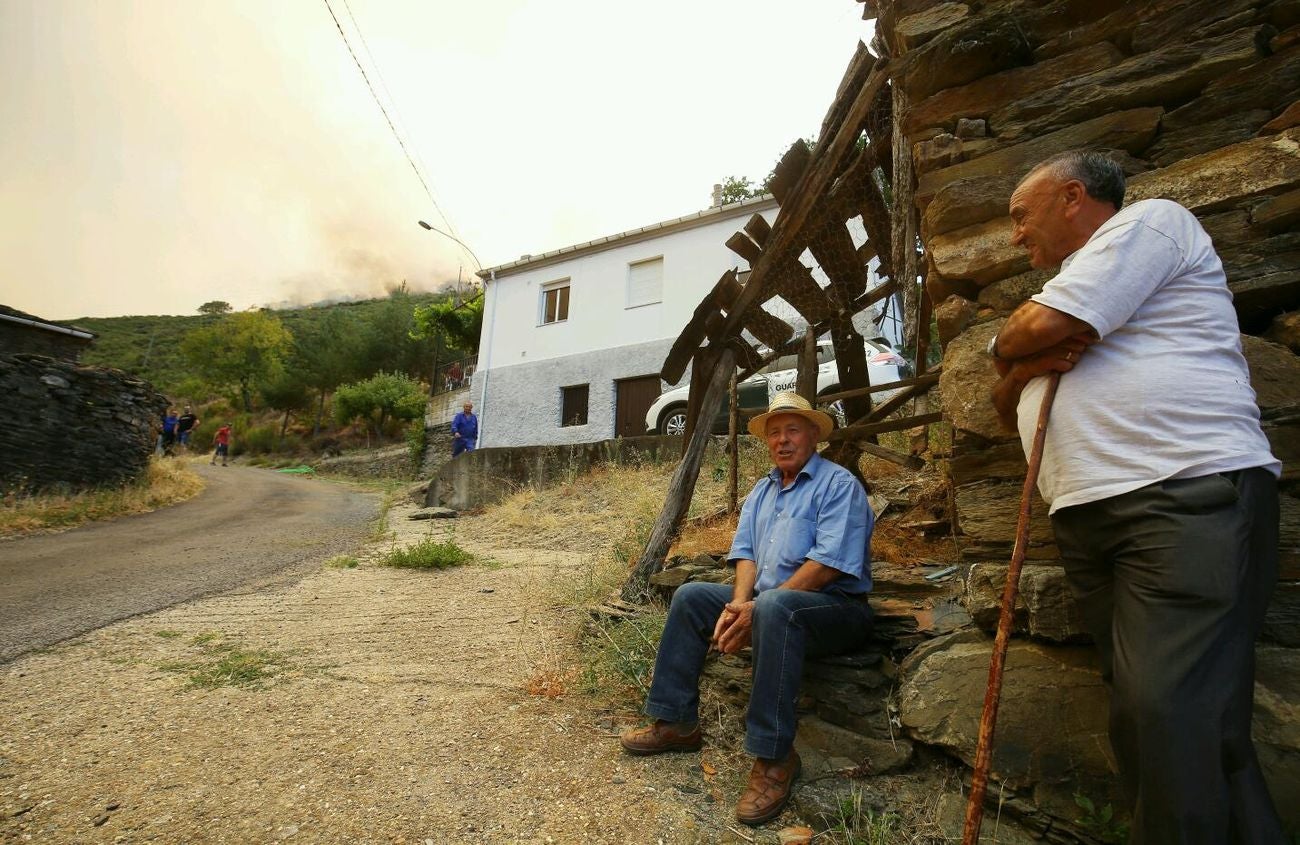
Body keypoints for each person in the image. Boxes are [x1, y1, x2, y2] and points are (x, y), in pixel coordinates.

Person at [988, 150, 1284, 843]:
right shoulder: (1078, 284)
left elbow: (1031, 332)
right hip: (1102, 515)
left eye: (1020, 217)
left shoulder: (1150, 225)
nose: (1014, 236)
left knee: (1166, 717)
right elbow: (1008, 405)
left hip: (1181, 494)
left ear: (1072, 196)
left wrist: (1011, 344)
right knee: (1178, 725)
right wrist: (1021, 366)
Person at [619, 392, 873, 826]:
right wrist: (740, 604)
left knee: (776, 605)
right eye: (775, 433)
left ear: (813, 435)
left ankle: (775, 758)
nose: (783, 440)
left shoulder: (839, 484)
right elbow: (746, 554)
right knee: (692, 596)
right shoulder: (763, 488)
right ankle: (677, 721)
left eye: (793, 430)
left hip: (835, 609)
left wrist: (760, 605)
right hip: (772, 603)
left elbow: (828, 566)